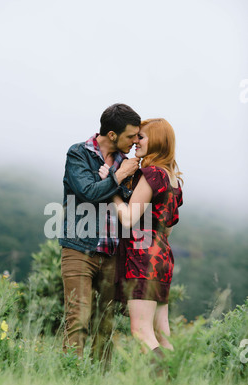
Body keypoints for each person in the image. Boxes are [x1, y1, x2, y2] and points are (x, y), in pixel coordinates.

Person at [59, 103, 141, 368]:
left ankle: (99, 383)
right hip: (78, 249)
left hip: (112, 253)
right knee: (78, 318)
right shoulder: (78, 153)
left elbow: (131, 203)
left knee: (105, 323)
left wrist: (121, 179)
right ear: (113, 134)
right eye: (130, 136)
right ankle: (70, 379)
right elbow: (88, 192)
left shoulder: (126, 162)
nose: (135, 141)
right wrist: (119, 177)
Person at [99, 118, 183, 357]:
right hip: (163, 257)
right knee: (162, 332)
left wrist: (110, 187)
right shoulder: (172, 178)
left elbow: (128, 218)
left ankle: (163, 384)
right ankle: (177, 384)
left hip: (143, 258)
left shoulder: (152, 174)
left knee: (141, 330)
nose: (136, 141)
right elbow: (167, 229)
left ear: (155, 140)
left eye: (141, 137)